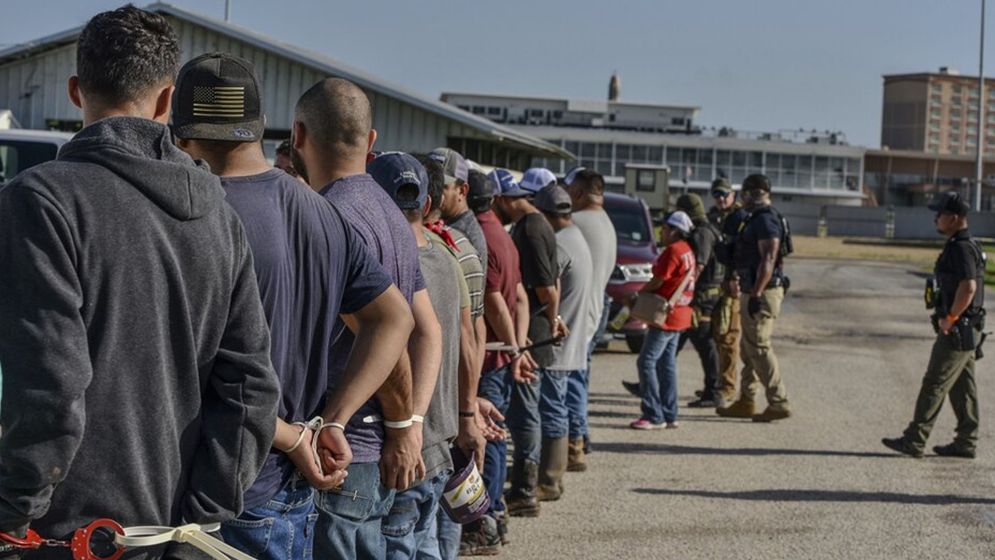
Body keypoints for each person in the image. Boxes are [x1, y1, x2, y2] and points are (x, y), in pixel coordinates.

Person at [0, 6, 282, 555]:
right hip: (173, 530)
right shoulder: (218, 217)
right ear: (165, 99)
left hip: (64, 537)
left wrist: (12, 510)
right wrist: (203, 520)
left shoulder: (41, 202)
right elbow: (250, 386)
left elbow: (50, 386)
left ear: (77, 90)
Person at [172, 53, 416, 560]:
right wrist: (331, 420)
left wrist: (289, 436)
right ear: (262, 126)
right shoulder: (320, 212)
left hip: (223, 490)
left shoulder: (199, 215)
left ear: (181, 135)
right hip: (291, 488)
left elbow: (203, 366)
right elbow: (395, 318)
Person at [292, 77, 443, 559]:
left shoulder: (331, 216)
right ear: (371, 142)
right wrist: (413, 420)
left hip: (344, 449)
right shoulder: (391, 213)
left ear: (298, 135)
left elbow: (387, 333)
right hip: (369, 447)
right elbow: (428, 330)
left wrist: (403, 428)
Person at [368, 152, 472, 559]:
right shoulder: (448, 260)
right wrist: (467, 414)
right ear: (428, 205)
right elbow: (468, 338)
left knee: (398, 544)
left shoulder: (383, 264)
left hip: (402, 447)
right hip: (439, 442)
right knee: (426, 544)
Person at [883, 190, 987, 459]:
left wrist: (950, 318)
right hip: (967, 329)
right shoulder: (966, 244)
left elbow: (969, 286)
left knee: (935, 383)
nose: (935, 219)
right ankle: (966, 441)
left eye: (939, 215)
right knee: (963, 386)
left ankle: (914, 440)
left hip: (957, 329)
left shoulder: (961, 247)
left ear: (954, 218)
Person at [461, 169, 531, 555]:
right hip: (501, 352)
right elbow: (520, 296)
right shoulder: (503, 235)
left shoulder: (482, 238)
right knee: (496, 438)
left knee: (483, 440)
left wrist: (513, 348)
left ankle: (484, 520)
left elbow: (495, 301)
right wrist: (517, 346)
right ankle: (497, 513)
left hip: (488, 356)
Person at [492, 168, 566, 518]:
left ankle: (525, 487)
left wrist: (551, 319)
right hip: (531, 329)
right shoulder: (531, 226)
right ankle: (524, 484)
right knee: (524, 410)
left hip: (532, 333)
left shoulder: (534, 229)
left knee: (525, 412)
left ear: (508, 200)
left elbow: (547, 286)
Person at [534, 184, 593, 501]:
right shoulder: (577, 238)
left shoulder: (560, 245)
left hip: (557, 346)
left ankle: (550, 479)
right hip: (572, 342)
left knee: (552, 410)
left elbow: (545, 287)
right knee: (560, 407)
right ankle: (552, 475)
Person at [716, 174, 791, 423]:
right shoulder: (755, 218)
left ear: (753, 193)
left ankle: (778, 402)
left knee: (759, 346)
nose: (743, 198)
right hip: (753, 288)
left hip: (763, 290)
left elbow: (768, 259)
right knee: (749, 348)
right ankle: (746, 400)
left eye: (746, 193)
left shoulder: (767, 220)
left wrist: (757, 293)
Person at [564, 167, 616, 471]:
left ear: (579, 193)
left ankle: (574, 444)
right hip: (596, 312)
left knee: (572, 383)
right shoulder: (606, 223)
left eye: (570, 191)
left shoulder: (578, 223)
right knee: (579, 379)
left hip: (579, 316)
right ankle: (580, 436)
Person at [629, 211, 696, 430]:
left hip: (665, 315)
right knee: (667, 365)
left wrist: (640, 292)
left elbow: (659, 280)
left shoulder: (674, 251)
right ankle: (670, 413)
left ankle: (653, 414)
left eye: (665, 228)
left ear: (675, 231)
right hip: (680, 313)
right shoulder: (688, 251)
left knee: (646, 362)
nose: (662, 232)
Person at [674, 193, 723, 408]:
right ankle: (649, 382)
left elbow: (699, 266)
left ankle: (714, 391)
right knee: (677, 337)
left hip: (702, 297)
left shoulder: (702, 233)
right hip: (705, 295)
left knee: (703, 341)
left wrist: (681, 291)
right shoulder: (708, 228)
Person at [708, 178, 744, 406]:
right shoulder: (713, 218)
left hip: (732, 283)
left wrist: (736, 278)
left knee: (729, 337)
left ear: (733, 195)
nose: (721, 199)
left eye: (725, 194)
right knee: (713, 336)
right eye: (717, 194)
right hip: (713, 283)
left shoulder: (741, 218)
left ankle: (728, 387)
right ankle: (715, 384)